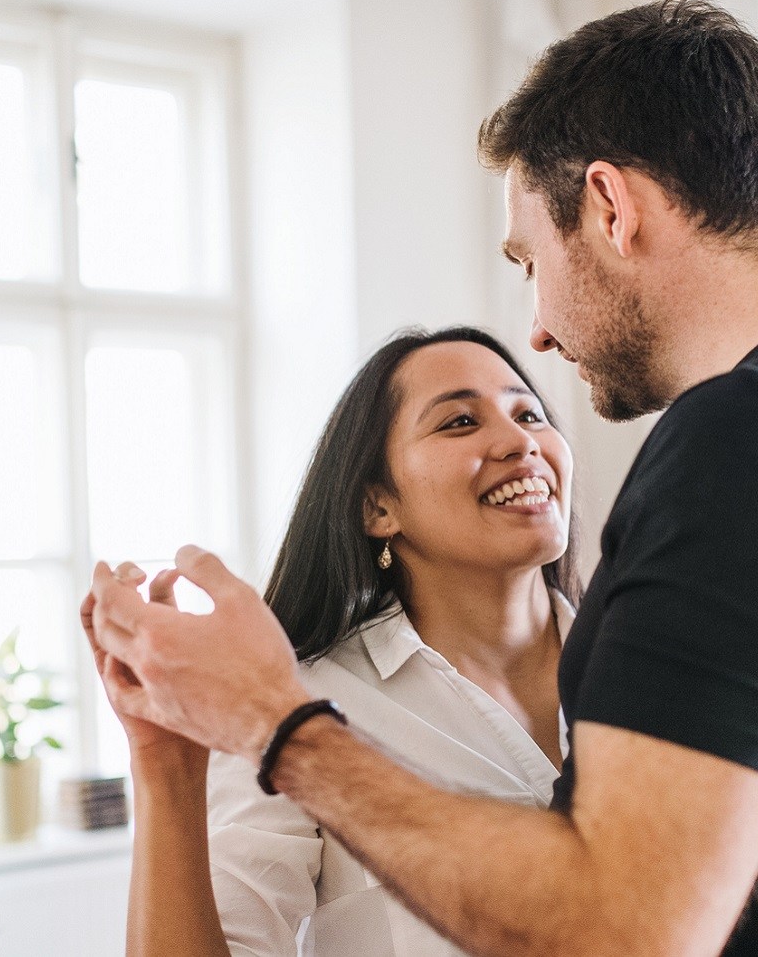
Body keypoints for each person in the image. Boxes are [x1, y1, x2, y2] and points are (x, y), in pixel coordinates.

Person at [86, 0, 758, 956]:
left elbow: (619, 930)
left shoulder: (739, 438)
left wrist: (276, 725)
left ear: (608, 205)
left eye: (530, 257)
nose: (540, 325)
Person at [81, 327, 581, 955]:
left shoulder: (659, 667)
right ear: (378, 509)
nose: (519, 442)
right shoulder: (291, 704)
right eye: (459, 422)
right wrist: (165, 771)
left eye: (529, 413)